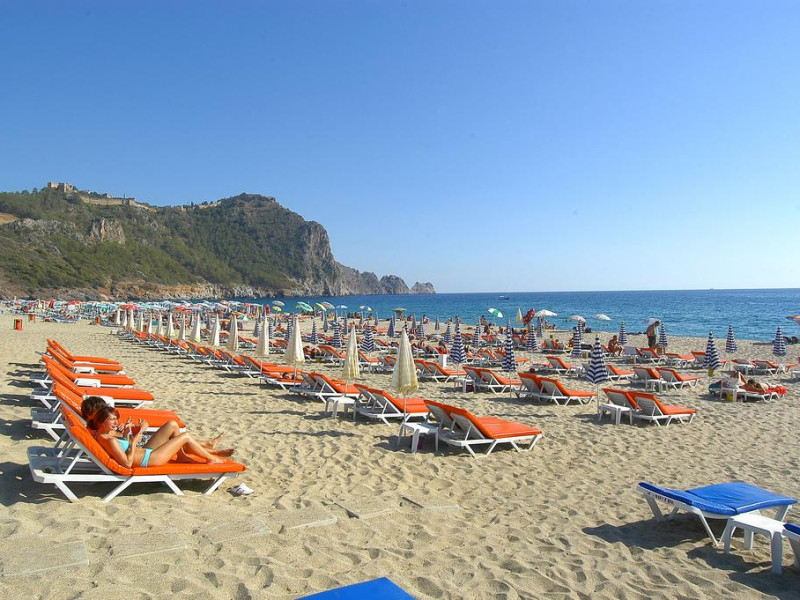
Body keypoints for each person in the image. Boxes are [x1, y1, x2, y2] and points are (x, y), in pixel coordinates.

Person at [86, 404, 233, 468]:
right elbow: (127, 464)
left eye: (116, 419)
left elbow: (124, 448)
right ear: (101, 422)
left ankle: (182, 456)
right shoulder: (110, 440)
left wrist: (127, 434)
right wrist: (136, 438)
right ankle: (211, 458)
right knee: (186, 436)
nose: (116, 422)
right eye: (112, 420)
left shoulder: (103, 435)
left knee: (172, 425)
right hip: (150, 459)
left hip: (146, 451)